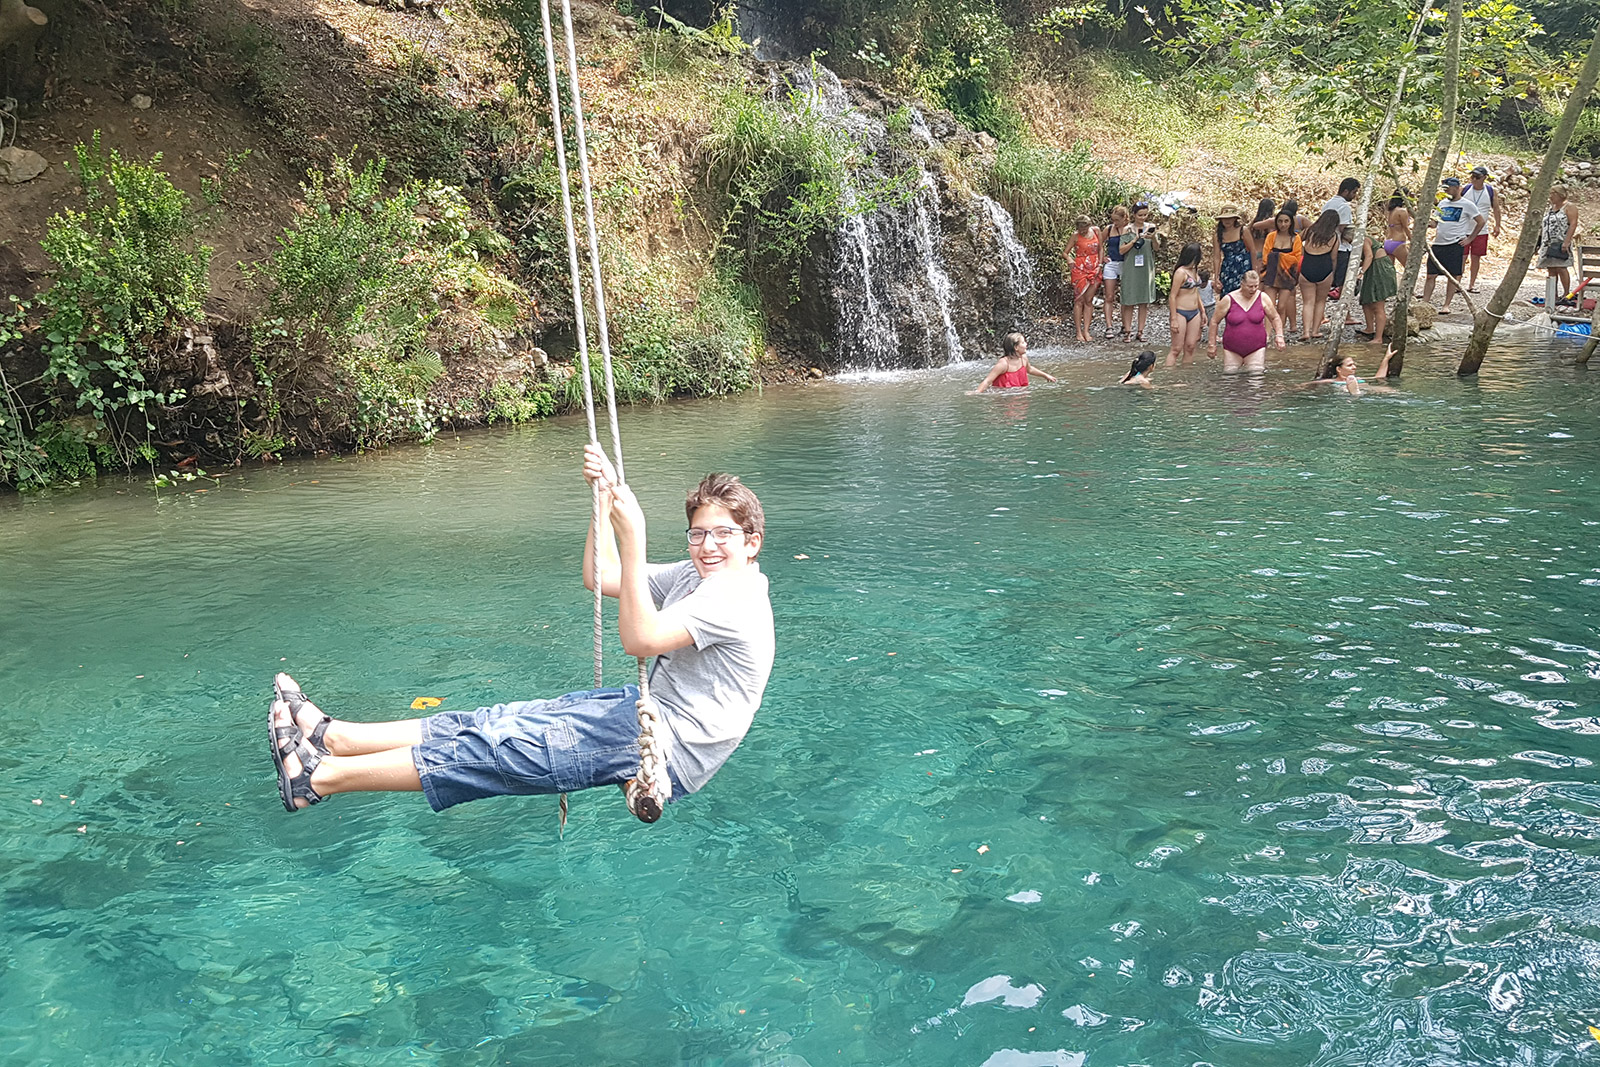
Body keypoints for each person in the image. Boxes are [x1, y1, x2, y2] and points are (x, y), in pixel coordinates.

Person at [268, 447, 776, 819]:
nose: (708, 545)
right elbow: (600, 577)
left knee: (496, 750)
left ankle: (317, 780)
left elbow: (640, 641)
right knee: (489, 721)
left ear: (751, 543)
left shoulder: (734, 596)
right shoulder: (698, 576)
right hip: (641, 711)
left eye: (724, 534)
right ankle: (334, 736)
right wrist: (602, 505)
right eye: (699, 533)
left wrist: (634, 536)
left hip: (667, 745)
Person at [1422, 177, 1485, 315]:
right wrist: (1425, 221)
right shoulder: (1443, 203)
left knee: (1452, 276)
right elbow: (1434, 223)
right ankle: (1425, 302)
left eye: (1448, 189)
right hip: (1439, 243)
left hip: (1455, 243)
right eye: (1444, 189)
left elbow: (1480, 221)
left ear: (1457, 188)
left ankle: (1446, 305)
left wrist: (1470, 238)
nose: (1446, 192)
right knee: (1431, 275)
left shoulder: (1467, 204)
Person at [1208, 269, 1285, 373]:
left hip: (1256, 347)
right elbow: (1214, 321)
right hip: (1232, 348)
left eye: (1256, 286)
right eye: (1250, 286)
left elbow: (1275, 317)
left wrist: (1279, 336)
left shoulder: (1263, 298)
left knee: (1255, 378)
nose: (1253, 289)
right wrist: (1212, 344)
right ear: (1242, 284)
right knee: (1230, 378)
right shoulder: (1228, 299)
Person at [1297, 209, 1344, 339]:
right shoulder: (1334, 237)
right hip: (1324, 267)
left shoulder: (1310, 231)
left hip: (1307, 266)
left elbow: (1296, 240)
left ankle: (1305, 332)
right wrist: (1332, 273)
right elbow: (1334, 258)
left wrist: (1301, 252)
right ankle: (1315, 331)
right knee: (1320, 301)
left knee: (1307, 302)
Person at [1118, 202, 1162, 342]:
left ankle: (1140, 331)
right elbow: (1121, 250)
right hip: (1131, 267)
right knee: (1129, 299)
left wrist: (1153, 237)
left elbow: (1156, 248)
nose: (1142, 218)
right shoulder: (1127, 229)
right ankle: (1128, 331)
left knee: (1144, 301)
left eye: (1145, 215)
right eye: (1140, 215)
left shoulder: (1151, 228)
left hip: (1146, 267)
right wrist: (1134, 240)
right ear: (1134, 215)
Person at [1258, 210, 1303, 334]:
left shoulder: (1295, 238)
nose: (1283, 224)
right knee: (1269, 306)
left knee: (1282, 306)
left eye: (1286, 221)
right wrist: (1282, 257)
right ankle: (1267, 334)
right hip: (1271, 273)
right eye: (1280, 221)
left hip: (1287, 275)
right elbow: (1266, 255)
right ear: (1276, 223)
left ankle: (1279, 333)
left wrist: (1279, 256)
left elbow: (1297, 258)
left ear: (1291, 222)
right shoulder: (1271, 236)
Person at [968, 331, 1057, 393]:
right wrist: (977, 392)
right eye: (1023, 342)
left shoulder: (1024, 359)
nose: (1026, 344)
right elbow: (987, 381)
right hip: (1003, 395)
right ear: (1016, 347)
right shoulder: (1003, 364)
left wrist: (1045, 375)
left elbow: (1029, 369)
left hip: (1018, 393)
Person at [1461, 166, 1502, 292]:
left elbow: (1496, 208)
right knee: (1462, 256)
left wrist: (1497, 224)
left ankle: (1471, 284)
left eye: (1477, 177)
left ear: (1484, 178)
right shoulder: (1465, 189)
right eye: (1472, 176)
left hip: (1481, 230)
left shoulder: (1490, 191)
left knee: (1476, 257)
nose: (1474, 179)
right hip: (1464, 229)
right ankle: (1457, 282)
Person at [1321, 177, 1361, 298]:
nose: (1354, 195)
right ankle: (1346, 313)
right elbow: (1344, 229)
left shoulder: (1328, 204)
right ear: (1345, 191)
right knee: (1344, 281)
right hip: (1341, 248)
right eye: (1354, 192)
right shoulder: (1344, 207)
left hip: (1327, 245)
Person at [1167, 242, 1205, 366]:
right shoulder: (1180, 272)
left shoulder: (1194, 270)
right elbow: (1172, 296)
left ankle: (1185, 374)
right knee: (1176, 348)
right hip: (1180, 311)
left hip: (1194, 312)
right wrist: (1173, 318)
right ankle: (1168, 373)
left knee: (1190, 346)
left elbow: (1195, 292)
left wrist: (1202, 311)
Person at [1538, 186, 1580, 299]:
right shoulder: (1551, 208)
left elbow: (1573, 224)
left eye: (1553, 193)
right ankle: (1553, 294)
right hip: (1548, 242)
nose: (1550, 196)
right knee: (1551, 268)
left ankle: (1566, 293)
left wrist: (1567, 242)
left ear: (1560, 194)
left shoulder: (1569, 207)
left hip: (1561, 241)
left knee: (1561, 267)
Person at [1067, 214, 1103, 344]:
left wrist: (1099, 265)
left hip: (1094, 267)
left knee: (1089, 300)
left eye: (1085, 228)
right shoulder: (1075, 236)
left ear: (1089, 225)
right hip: (1080, 269)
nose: (1083, 231)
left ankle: (1086, 330)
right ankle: (1078, 331)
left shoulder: (1096, 231)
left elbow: (1100, 248)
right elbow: (1065, 252)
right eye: (1080, 229)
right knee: (1079, 300)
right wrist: (1069, 259)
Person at [1211, 204, 1259, 300]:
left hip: (1244, 266)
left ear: (1234, 219)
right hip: (1228, 268)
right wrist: (1216, 276)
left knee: (1245, 294)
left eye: (1230, 218)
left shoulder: (1243, 230)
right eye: (1225, 218)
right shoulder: (1218, 235)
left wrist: (1254, 271)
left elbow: (1253, 250)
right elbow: (1217, 256)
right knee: (1228, 296)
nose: (1227, 221)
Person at [1357, 232, 1398, 342]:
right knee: (1366, 300)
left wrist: (1361, 272)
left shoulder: (1364, 239)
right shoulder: (1357, 242)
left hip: (1380, 269)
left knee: (1378, 304)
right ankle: (1369, 328)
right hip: (1372, 269)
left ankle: (1378, 338)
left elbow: (1369, 256)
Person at [1312, 346, 1395, 396]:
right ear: (1339, 369)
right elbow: (1310, 384)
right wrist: (1300, 387)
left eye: (1353, 364)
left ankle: (1355, 393)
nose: (1354, 367)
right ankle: (1353, 392)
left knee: (1389, 390)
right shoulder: (1331, 381)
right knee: (1344, 389)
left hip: (1364, 388)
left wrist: (1386, 358)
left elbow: (1379, 377)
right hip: (1342, 388)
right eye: (1350, 365)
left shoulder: (1358, 378)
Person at [1102, 205, 1131, 338]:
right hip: (1111, 263)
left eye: (1117, 220)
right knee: (1109, 296)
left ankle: (1125, 325)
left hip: (1126, 264)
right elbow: (1099, 244)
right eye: (1113, 220)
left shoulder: (1130, 229)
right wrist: (1102, 257)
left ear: (1125, 218)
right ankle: (1109, 326)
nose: (1115, 223)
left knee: (1125, 296)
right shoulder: (1108, 229)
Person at [1384, 194, 1413, 271]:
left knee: (1390, 271)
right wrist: (1412, 239)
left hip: (1388, 242)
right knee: (1409, 268)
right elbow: (1406, 228)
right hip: (1398, 242)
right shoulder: (1402, 211)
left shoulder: (1390, 211)